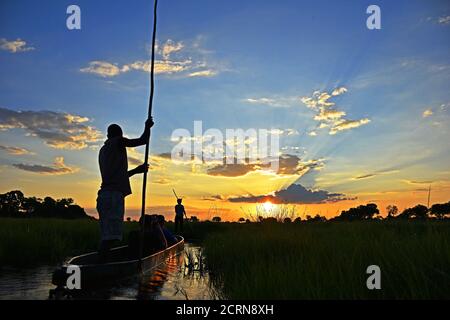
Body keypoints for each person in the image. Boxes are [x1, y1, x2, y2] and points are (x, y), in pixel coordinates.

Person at [96, 117, 154, 263]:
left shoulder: (104, 150)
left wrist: (137, 170)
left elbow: (118, 176)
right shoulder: (118, 141)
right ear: (119, 135)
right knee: (110, 238)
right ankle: (101, 265)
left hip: (104, 196)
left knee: (108, 236)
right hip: (113, 196)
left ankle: (102, 262)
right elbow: (142, 141)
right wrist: (147, 127)